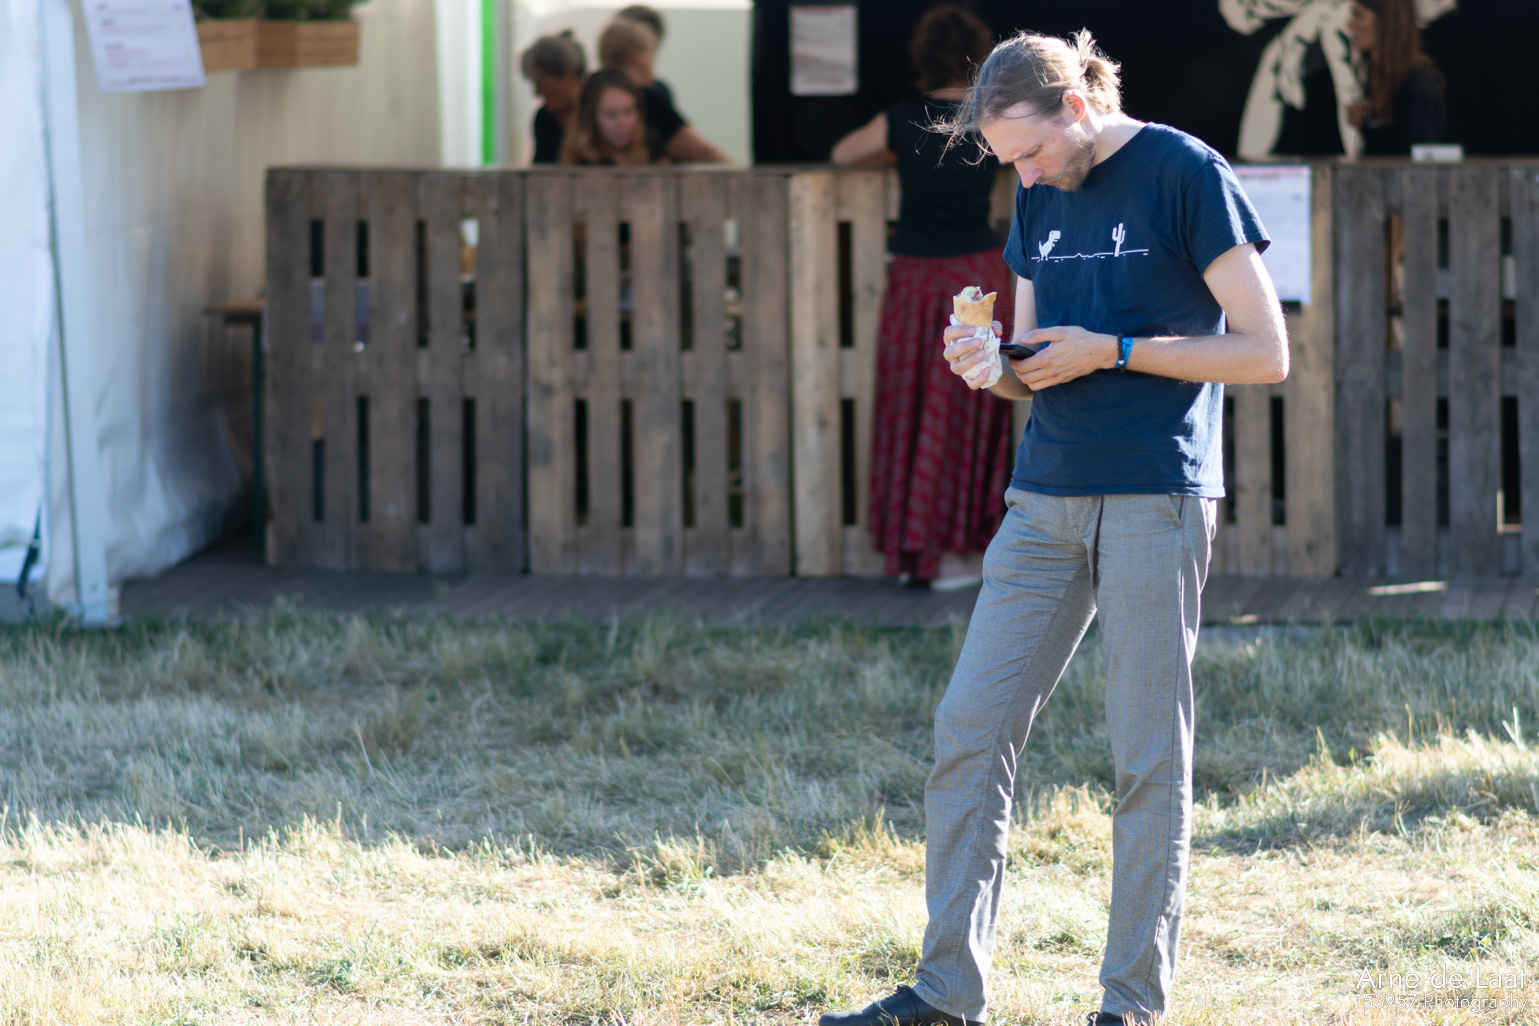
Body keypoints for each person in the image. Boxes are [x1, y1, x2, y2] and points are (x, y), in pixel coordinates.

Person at [819, 27, 1288, 1026]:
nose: (1022, 177)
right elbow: (1036, 361)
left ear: (1076, 106)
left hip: (1156, 491)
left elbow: (1263, 352)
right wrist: (990, 366)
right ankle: (945, 992)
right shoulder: (1036, 190)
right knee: (968, 731)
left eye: (1028, 152)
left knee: (1145, 757)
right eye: (1006, 162)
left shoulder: (1185, 172)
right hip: (1043, 496)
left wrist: (1115, 348)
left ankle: (1130, 1005)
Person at [829, 4, 1012, 589]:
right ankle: (957, 551)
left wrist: (900, 148)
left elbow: (842, 154)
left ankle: (914, 554)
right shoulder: (990, 119)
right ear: (979, 61)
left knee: (908, 404)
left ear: (923, 58)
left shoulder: (905, 117)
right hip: (974, 274)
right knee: (969, 405)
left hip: (914, 275)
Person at [598, 17, 732, 164]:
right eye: (651, 52)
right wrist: (735, 168)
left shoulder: (592, 95)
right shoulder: (648, 98)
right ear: (636, 54)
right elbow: (701, 151)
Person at [1344, 0, 1447, 154]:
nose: (1349, 24)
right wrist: (1367, 124)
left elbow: (1415, 162)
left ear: (1386, 21)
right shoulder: (1382, 82)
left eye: (1358, 15)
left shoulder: (1416, 87)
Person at [559, 69, 650, 166]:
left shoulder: (652, 150)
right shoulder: (582, 163)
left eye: (628, 112)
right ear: (591, 118)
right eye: (611, 115)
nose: (622, 123)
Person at [520, 31, 586, 165]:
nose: (538, 92)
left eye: (542, 83)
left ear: (568, 75)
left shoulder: (602, 112)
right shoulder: (545, 119)